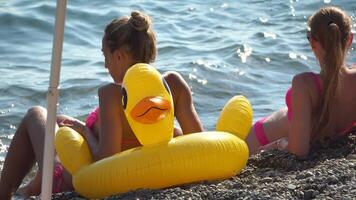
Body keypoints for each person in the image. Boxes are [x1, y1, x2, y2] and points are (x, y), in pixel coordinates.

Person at [0, 11, 203, 199]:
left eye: (105, 56)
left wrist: (84, 131)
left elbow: (107, 161)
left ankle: (5, 192)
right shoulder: (174, 85)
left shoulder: (112, 94)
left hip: (70, 181)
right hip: (154, 175)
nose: (106, 65)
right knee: (59, 120)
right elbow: (198, 144)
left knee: (36, 114)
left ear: (119, 56)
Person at [246, 6, 356, 157]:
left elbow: (298, 151)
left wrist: (279, 144)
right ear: (350, 39)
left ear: (312, 41)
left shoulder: (305, 84)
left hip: (258, 139)